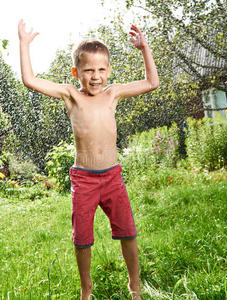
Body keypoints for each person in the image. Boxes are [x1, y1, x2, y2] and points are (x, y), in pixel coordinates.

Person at [18, 19, 159, 300]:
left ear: (109, 71)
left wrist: (144, 48)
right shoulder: (71, 96)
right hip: (83, 180)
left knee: (128, 232)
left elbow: (152, 83)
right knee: (82, 238)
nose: (96, 76)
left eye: (101, 70)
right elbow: (29, 81)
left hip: (113, 177)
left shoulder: (113, 93)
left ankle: (135, 286)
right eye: (88, 70)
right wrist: (24, 44)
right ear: (76, 72)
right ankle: (86, 289)